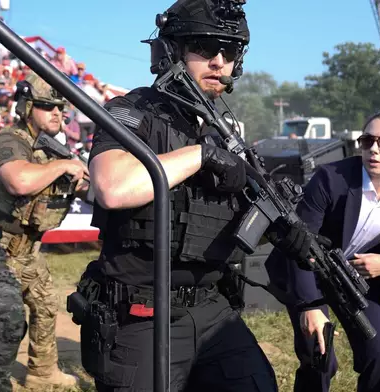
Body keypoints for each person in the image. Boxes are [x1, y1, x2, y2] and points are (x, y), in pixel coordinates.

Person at [75, 1, 278, 391]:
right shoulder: (133, 110)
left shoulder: (227, 131)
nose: (219, 61)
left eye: (230, 51)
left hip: (213, 307)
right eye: (205, 47)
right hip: (143, 311)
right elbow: (112, 187)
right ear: (173, 50)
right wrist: (200, 156)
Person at [266, 111, 380, 392]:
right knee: (320, 358)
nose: (374, 149)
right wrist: (310, 306)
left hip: (355, 282)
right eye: (367, 141)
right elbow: (298, 243)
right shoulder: (331, 179)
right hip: (306, 272)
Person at [0, 72, 88, 391]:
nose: (57, 112)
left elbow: (84, 187)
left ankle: (42, 372)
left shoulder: (51, 151)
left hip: (26, 251)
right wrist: (64, 165)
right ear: (27, 107)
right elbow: (20, 181)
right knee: (10, 323)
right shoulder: (8, 142)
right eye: (47, 106)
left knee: (45, 304)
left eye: (60, 107)